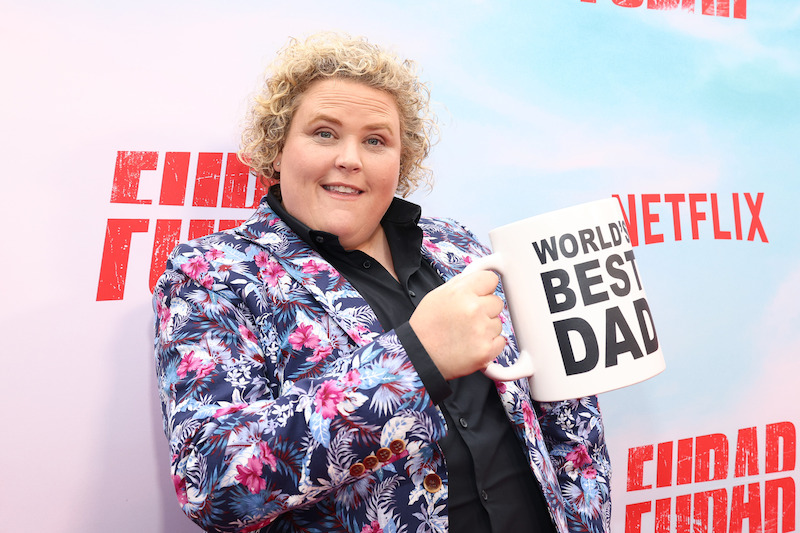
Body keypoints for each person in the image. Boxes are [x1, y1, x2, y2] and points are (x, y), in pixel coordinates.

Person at [153, 32, 611, 533]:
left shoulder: (456, 245)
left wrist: (586, 517)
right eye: (324, 133)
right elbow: (213, 483)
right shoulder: (211, 274)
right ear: (277, 148)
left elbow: (564, 409)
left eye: (375, 140)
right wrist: (417, 358)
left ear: (401, 159)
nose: (350, 158)